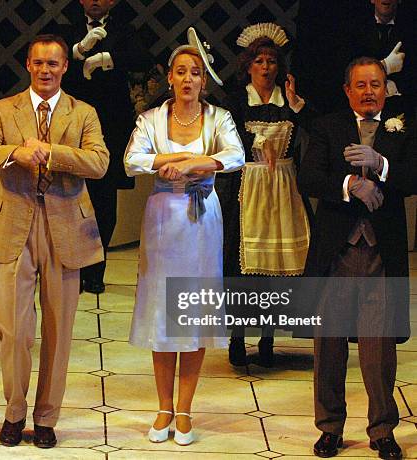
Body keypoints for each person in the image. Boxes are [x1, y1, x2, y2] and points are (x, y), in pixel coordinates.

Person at [0, 34, 109, 449]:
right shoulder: (2, 108)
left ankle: (46, 417)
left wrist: (50, 152)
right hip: (14, 223)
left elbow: (100, 162)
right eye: (38, 63)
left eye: (53, 64)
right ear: (28, 65)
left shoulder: (82, 112)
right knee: (13, 329)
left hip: (65, 226)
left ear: (65, 66)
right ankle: (14, 412)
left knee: (58, 328)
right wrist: (17, 152)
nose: (46, 70)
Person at [125, 32, 244, 446]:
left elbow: (235, 155)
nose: (188, 79)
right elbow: (132, 160)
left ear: (203, 81)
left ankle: (186, 409)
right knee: (163, 310)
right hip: (163, 217)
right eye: (181, 72)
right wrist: (169, 160)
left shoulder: (218, 118)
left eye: (195, 72)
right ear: (170, 79)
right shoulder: (153, 119)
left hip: (202, 219)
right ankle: (163, 407)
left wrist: (196, 163)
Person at [297, 57, 415, 459]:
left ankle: (382, 430)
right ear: (348, 90)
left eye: (376, 85)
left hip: (382, 253)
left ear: (386, 89)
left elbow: (414, 176)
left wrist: (380, 166)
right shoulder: (328, 126)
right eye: (361, 85)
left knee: (379, 350)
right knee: (328, 346)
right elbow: (309, 177)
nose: (369, 92)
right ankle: (330, 427)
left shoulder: (403, 127)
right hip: (337, 252)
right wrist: (350, 185)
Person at [217, 23, 314, 368]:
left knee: (278, 266)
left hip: (284, 186)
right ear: (248, 65)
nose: (266, 67)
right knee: (242, 264)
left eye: (271, 60)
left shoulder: (289, 101)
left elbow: (315, 131)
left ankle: (269, 336)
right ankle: (238, 335)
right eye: (259, 60)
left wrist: (297, 107)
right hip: (248, 186)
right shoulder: (235, 102)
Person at [61, 0, 153, 294]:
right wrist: (79, 51)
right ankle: (73, 268)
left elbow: (142, 58)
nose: (96, 1)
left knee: (104, 200)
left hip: (110, 125)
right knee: (71, 199)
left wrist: (106, 58)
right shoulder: (68, 28)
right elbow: (54, 62)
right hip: (73, 124)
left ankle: (96, 269)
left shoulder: (125, 30)